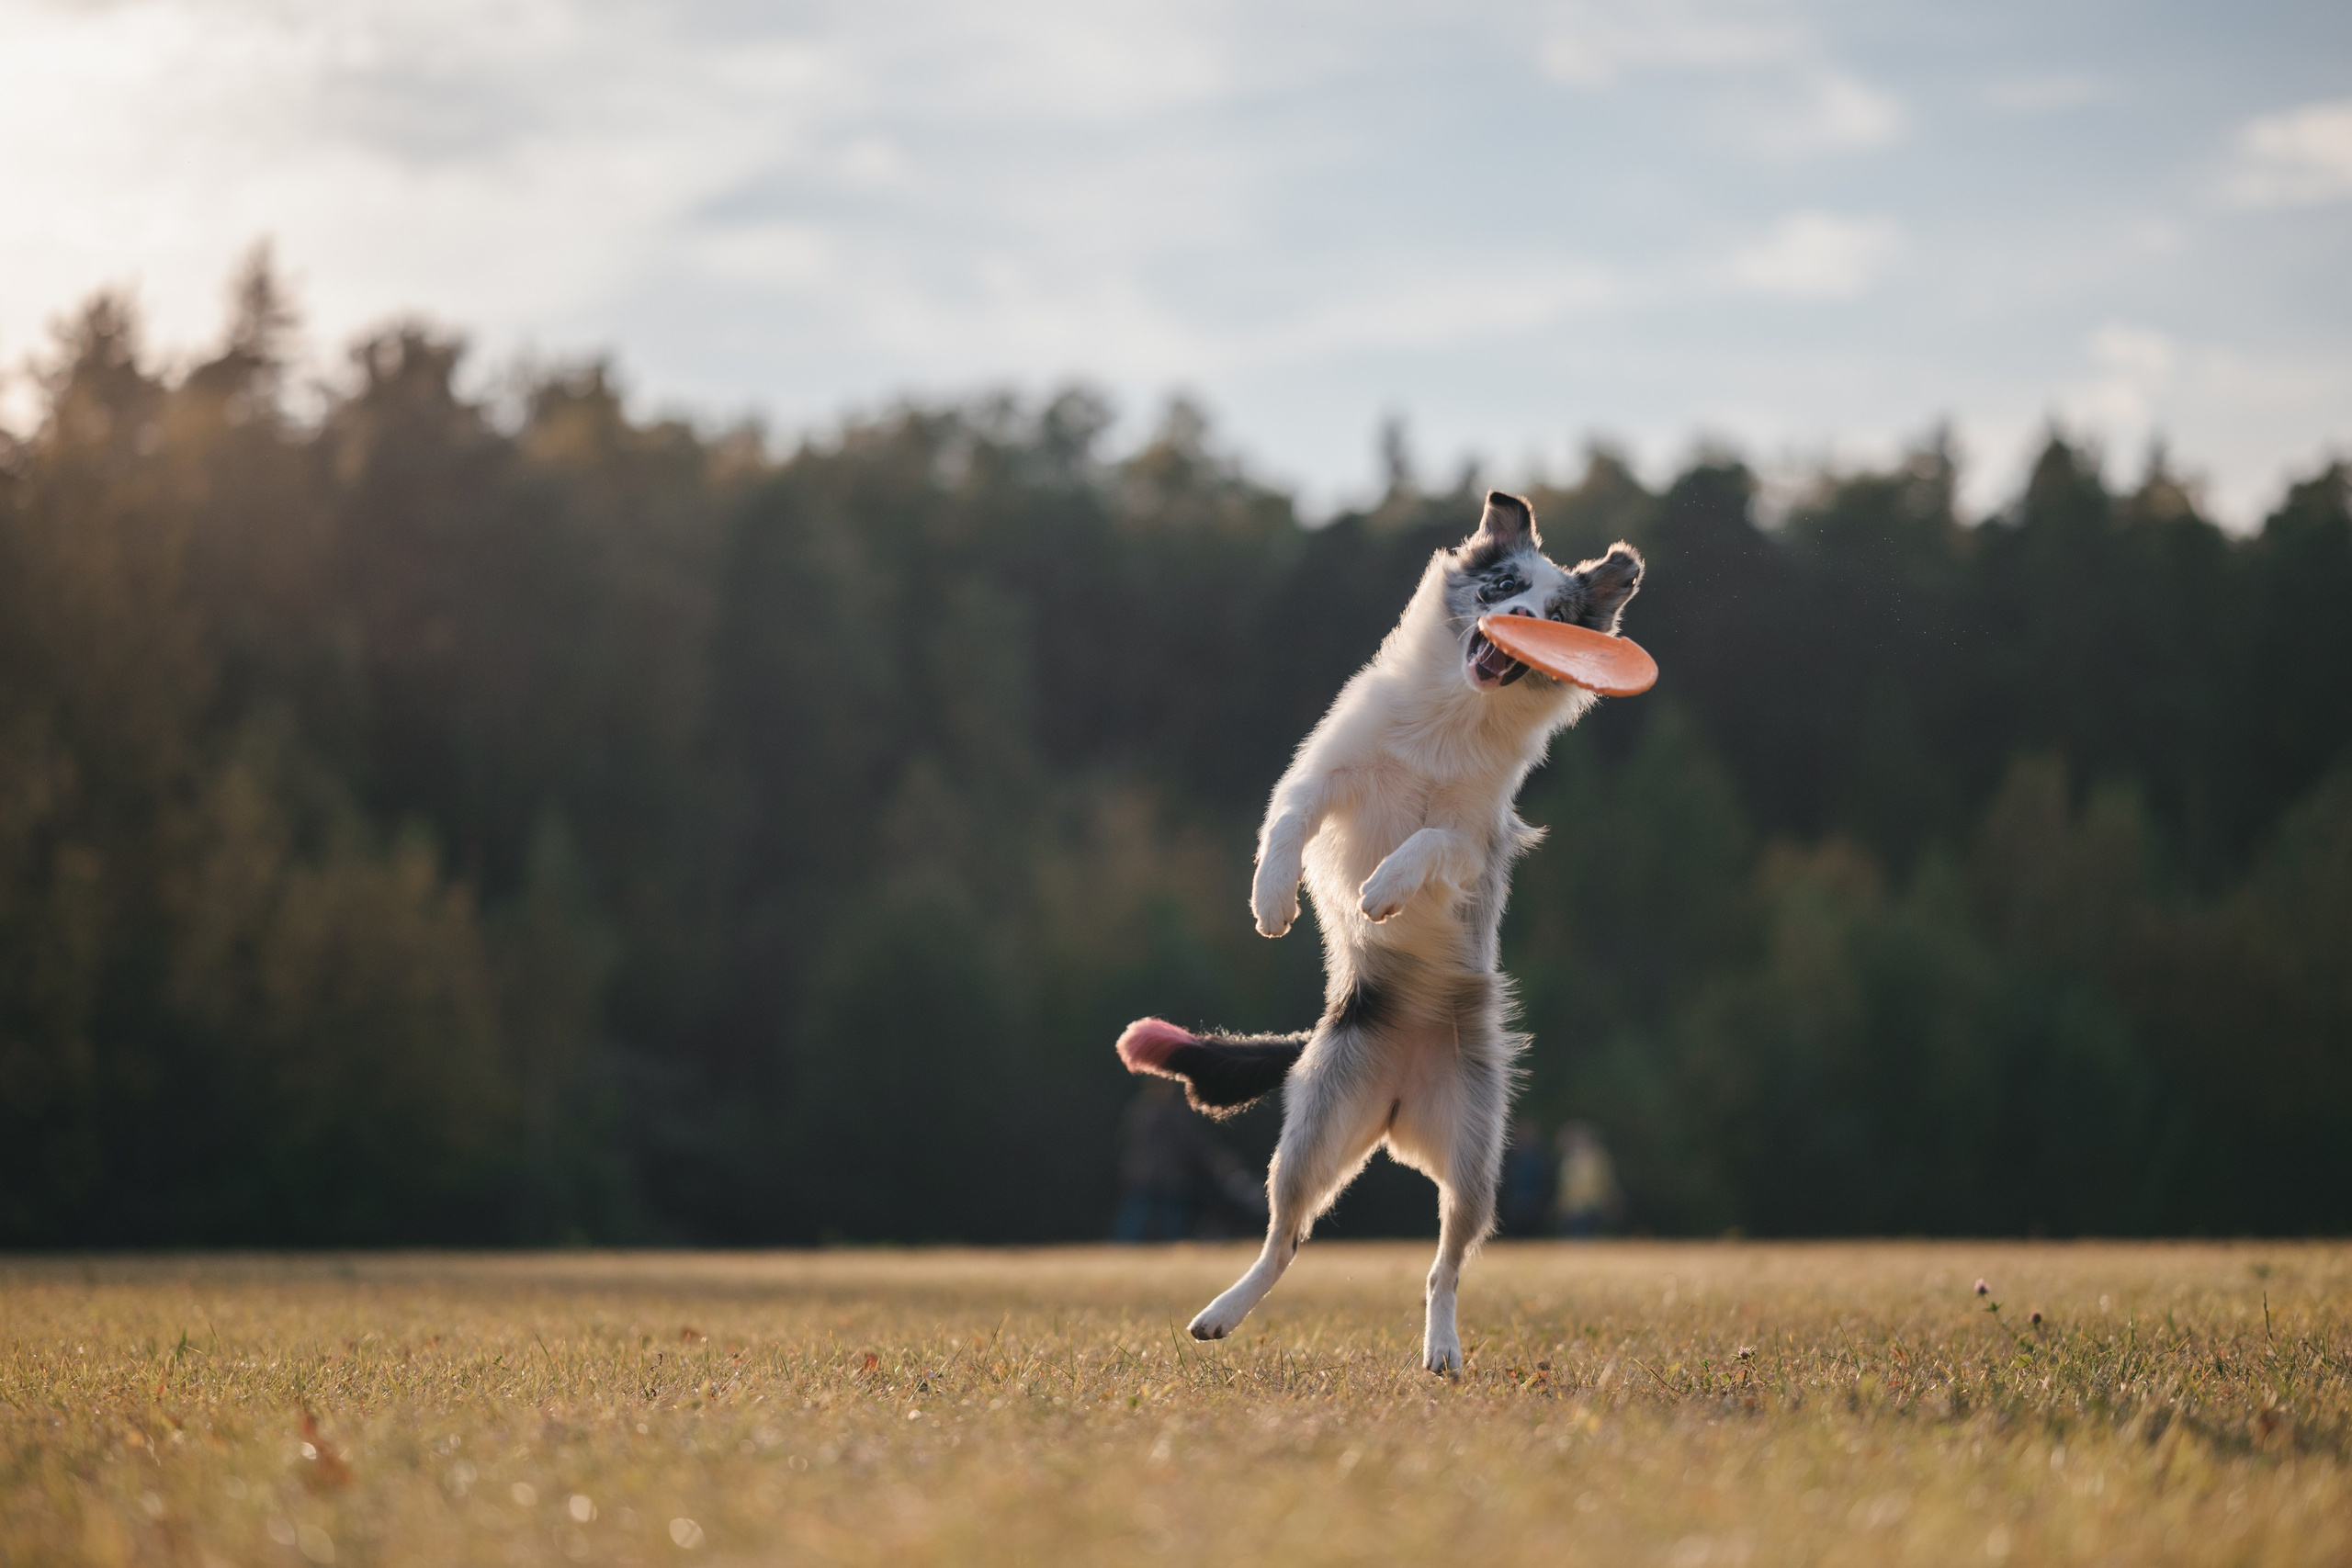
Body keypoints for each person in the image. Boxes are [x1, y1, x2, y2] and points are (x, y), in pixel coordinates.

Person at [1111, 1080, 1266, 1242]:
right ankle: (1128, 1244)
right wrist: (1218, 1160)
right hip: (1157, 1176)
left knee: (1157, 1216)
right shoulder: (1167, 1112)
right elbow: (1194, 1143)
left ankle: (1148, 1245)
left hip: (1153, 1175)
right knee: (1147, 1215)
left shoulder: (1142, 1109)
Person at [1553, 1122, 1621, 1238]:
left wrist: (1609, 1200)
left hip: (1590, 1205)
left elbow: (1605, 1181)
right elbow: (1565, 1186)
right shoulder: (1568, 1159)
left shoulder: (1598, 1157)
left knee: (1584, 1236)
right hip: (1571, 1208)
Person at [1498, 1116, 1554, 1236]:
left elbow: (1547, 1181)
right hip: (1514, 1203)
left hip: (1535, 1204)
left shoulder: (1541, 1156)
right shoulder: (1510, 1156)